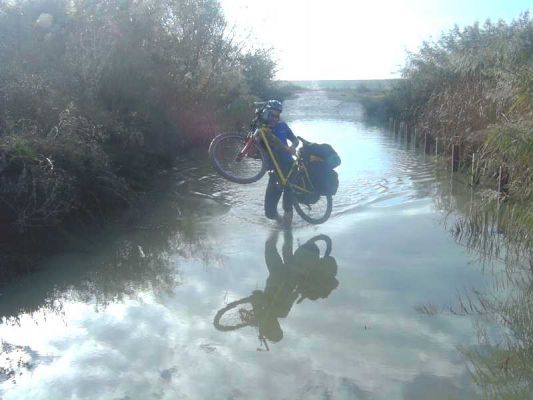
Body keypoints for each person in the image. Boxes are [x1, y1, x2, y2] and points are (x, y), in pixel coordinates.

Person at [260, 100, 299, 226]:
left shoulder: (283, 125)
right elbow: (253, 151)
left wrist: (293, 146)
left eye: (277, 116)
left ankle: (288, 231)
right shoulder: (261, 130)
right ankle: (280, 223)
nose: (275, 118)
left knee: (287, 205)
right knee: (269, 213)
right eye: (272, 115)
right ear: (266, 114)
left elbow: (295, 140)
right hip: (274, 172)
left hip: (290, 168)